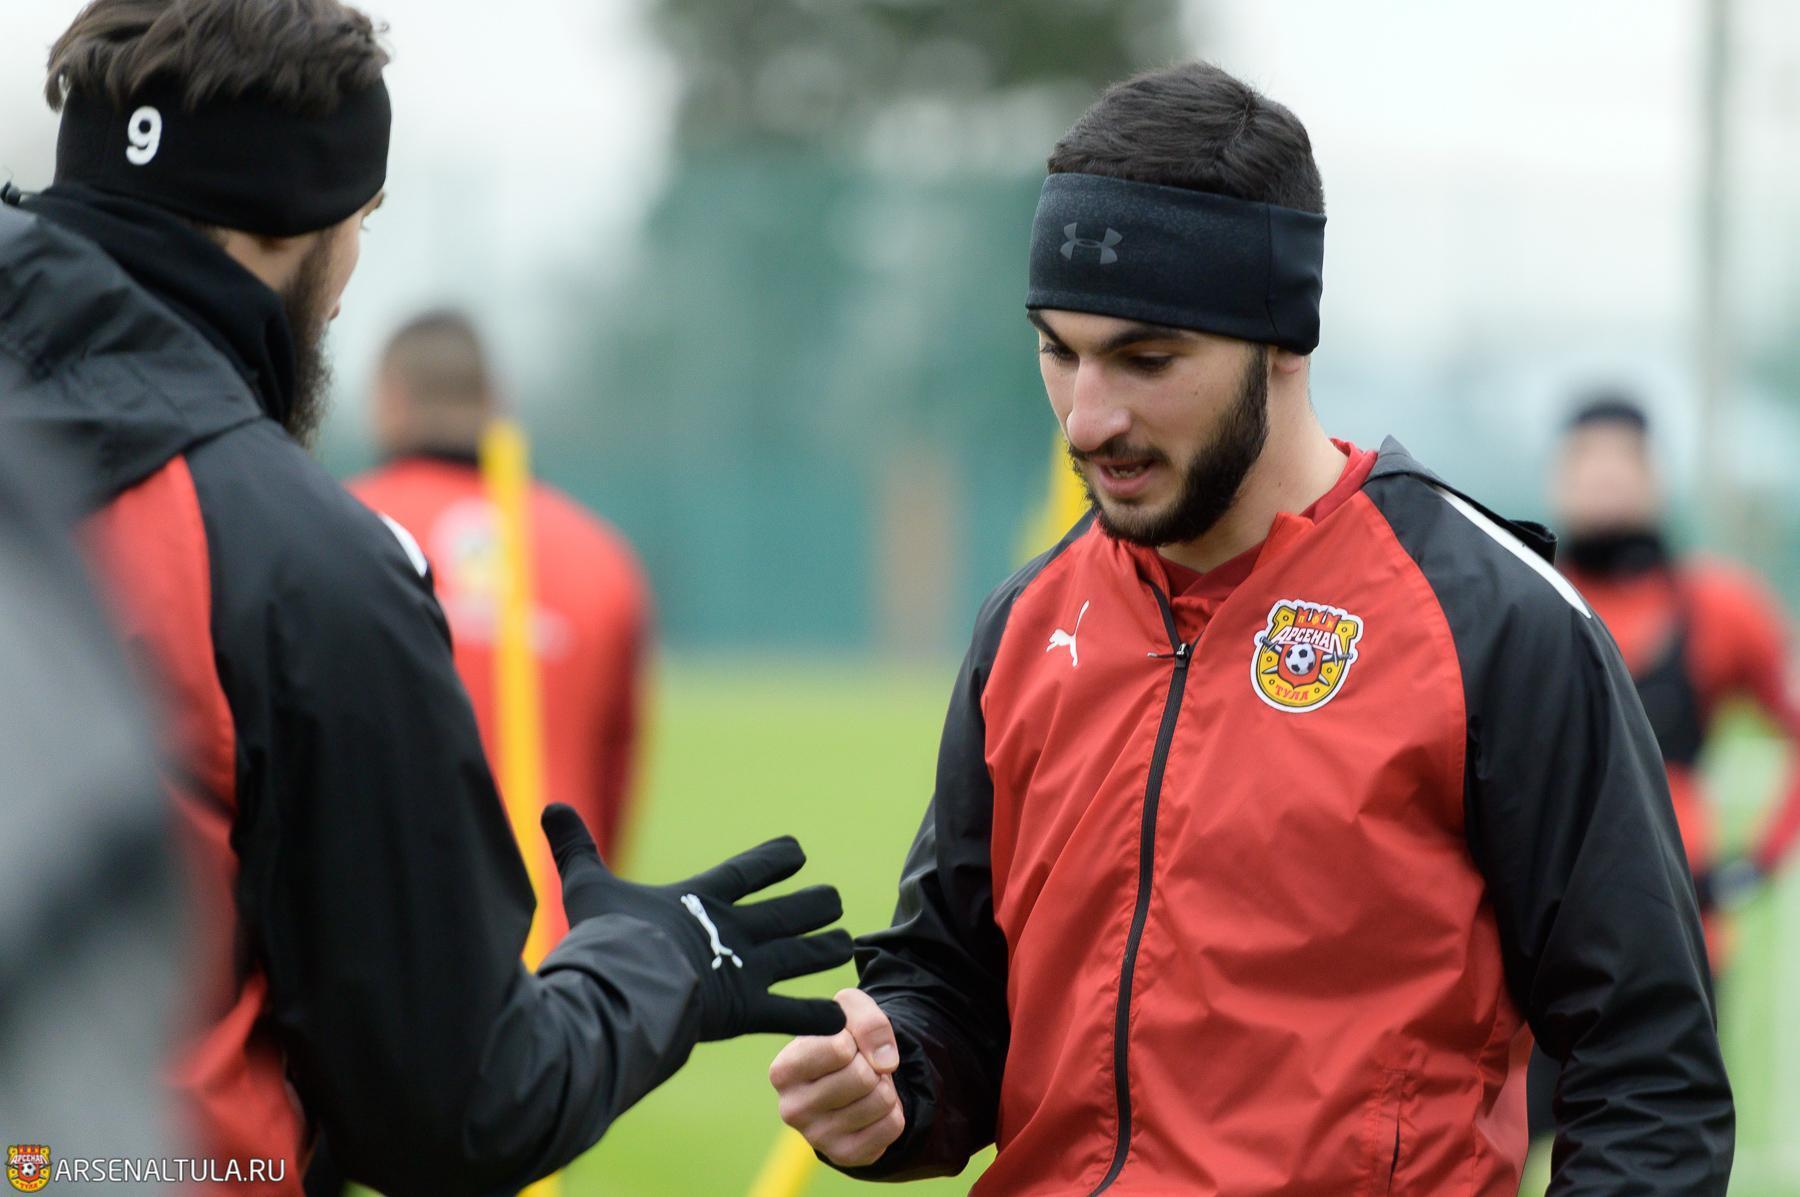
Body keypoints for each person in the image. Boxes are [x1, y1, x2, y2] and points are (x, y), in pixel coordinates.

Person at [767, 62, 1733, 1194]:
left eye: (1147, 359)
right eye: (1060, 350)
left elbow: (1650, 1075)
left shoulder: (1493, 624)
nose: (1089, 417)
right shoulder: (1026, 626)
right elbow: (953, 984)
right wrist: (896, 1078)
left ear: (1284, 334)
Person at [0, 2, 849, 1194]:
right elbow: (460, 1104)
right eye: (364, 217)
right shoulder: (294, 559)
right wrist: (658, 961)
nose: (352, 274)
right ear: (294, 219)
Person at [1522, 391, 1800, 1137]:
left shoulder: (1719, 607)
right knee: (1490, 1150)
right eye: (1587, 462)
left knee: (1652, 1152)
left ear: (1655, 476)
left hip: (1676, 940)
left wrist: (1756, 864)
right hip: (1533, 940)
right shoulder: (1524, 600)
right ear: (1558, 478)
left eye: (1624, 462)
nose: (1605, 479)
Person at [351, 310, 651, 937]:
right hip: (558, 950)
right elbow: (614, 787)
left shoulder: (335, 527)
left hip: (376, 945)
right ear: (497, 403)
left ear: (390, 400)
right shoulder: (600, 557)